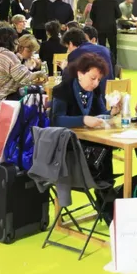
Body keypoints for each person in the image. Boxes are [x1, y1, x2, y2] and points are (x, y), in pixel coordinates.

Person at [51, 52, 120, 197]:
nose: (95, 83)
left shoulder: (94, 91)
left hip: (90, 141)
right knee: (104, 149)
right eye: (93, 78)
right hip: (68, 145)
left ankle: (106, 194)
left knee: (106, 147)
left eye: (98, 80)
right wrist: (82, 120)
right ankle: (105, 195)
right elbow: (56, 120)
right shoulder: (63, 90)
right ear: (80, 73)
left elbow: (102, 113)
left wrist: (112, 112)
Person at [0, 27, 43, 117]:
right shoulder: (7, 55)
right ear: (12, 41)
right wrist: (39, 73)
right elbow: (25, 77)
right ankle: (29, 129)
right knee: (35, 95)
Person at [61, 28, 113, 96]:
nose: (68, 50)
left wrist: (64, 68)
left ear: (70, 43)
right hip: (110, 93)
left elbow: (67, 79)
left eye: (67, 47)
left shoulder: (75, 54)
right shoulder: (105, 49)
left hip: (91, 94)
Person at [90, 0, 122, 67]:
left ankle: (102, 64)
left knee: (101, 47)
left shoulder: (96, 2)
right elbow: (119, 14)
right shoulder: (114, 2)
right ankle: (113, 64)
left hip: (99, 28)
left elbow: (91, 16)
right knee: (113, 47)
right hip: (111, 28)